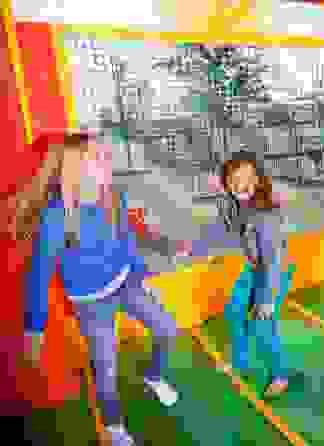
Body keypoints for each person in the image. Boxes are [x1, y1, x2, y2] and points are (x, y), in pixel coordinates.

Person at [15, 131, 187, 446]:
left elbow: (127, 241)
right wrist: (34, 327)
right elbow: (39, 274)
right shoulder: (57, 217)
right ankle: (114, 425)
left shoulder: (113, 197)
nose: (106, 162)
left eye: (105, 157)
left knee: (167, 330)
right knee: (106, 367)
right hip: (91, 302)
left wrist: (142, 277)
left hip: (124, 281)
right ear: (75, 170)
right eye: (97, 159)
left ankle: (153, 375)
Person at [188, 151, 298, 397]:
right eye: (233, 180)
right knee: (235, 311)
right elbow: (219, 232)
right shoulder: (231, 204)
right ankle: (240, 363)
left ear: (258, 179)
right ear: (225, 183)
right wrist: (190, 250)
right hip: (254, 267)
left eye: (247, 178)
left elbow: (274, 258)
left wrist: (268, 299)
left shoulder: (266, 213)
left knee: (263, 323)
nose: (241, 185)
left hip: (274, 271)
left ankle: (279, 374)